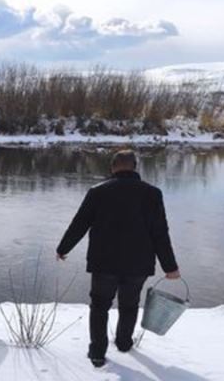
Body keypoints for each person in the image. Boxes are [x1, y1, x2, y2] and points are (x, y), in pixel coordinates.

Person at [56, 149, 180, 368]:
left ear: (112, 167)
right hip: (138, 264)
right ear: (134, 167)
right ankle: (124, 343)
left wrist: (63, 248)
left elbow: (79, 224)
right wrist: (170, 267)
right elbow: (160, 232)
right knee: (130, 305)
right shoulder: (152, 194)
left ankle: (97, 352)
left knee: (99, 306)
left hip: (103, 263)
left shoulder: (97, 192)